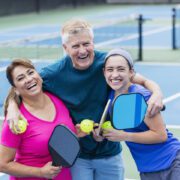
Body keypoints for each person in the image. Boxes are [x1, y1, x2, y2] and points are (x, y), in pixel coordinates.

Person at [6, 19, 164, 180]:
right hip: (77, 157)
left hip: (110, 154)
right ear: (65, 48)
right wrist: (12, 106)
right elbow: (23, 85)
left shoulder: (108, 64)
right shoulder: (53, 74)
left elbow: (143, 80)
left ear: (93, 42)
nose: (82, 50)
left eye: (86, 44)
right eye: (75, 46)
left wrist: (157, 93)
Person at [102, 48, 180, 180]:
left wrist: (123, 135)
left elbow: (160, 135)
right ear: (104, 72)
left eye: (121, 69)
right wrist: (101, 134)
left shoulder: (141, 96)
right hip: (147, 169)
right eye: (110, 69)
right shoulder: (111, 96)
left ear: (131, 72)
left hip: (171, 162)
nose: (115, 75)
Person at [0, 58, 76, 180]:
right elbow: (2, 164)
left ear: (38, 75)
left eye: (30, 73)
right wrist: (40, 172)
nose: (29, 79)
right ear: (16, 90)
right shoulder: (15, 120)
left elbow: (60, 136)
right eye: (21, 78)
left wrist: (77, 132)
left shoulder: (57, 99)